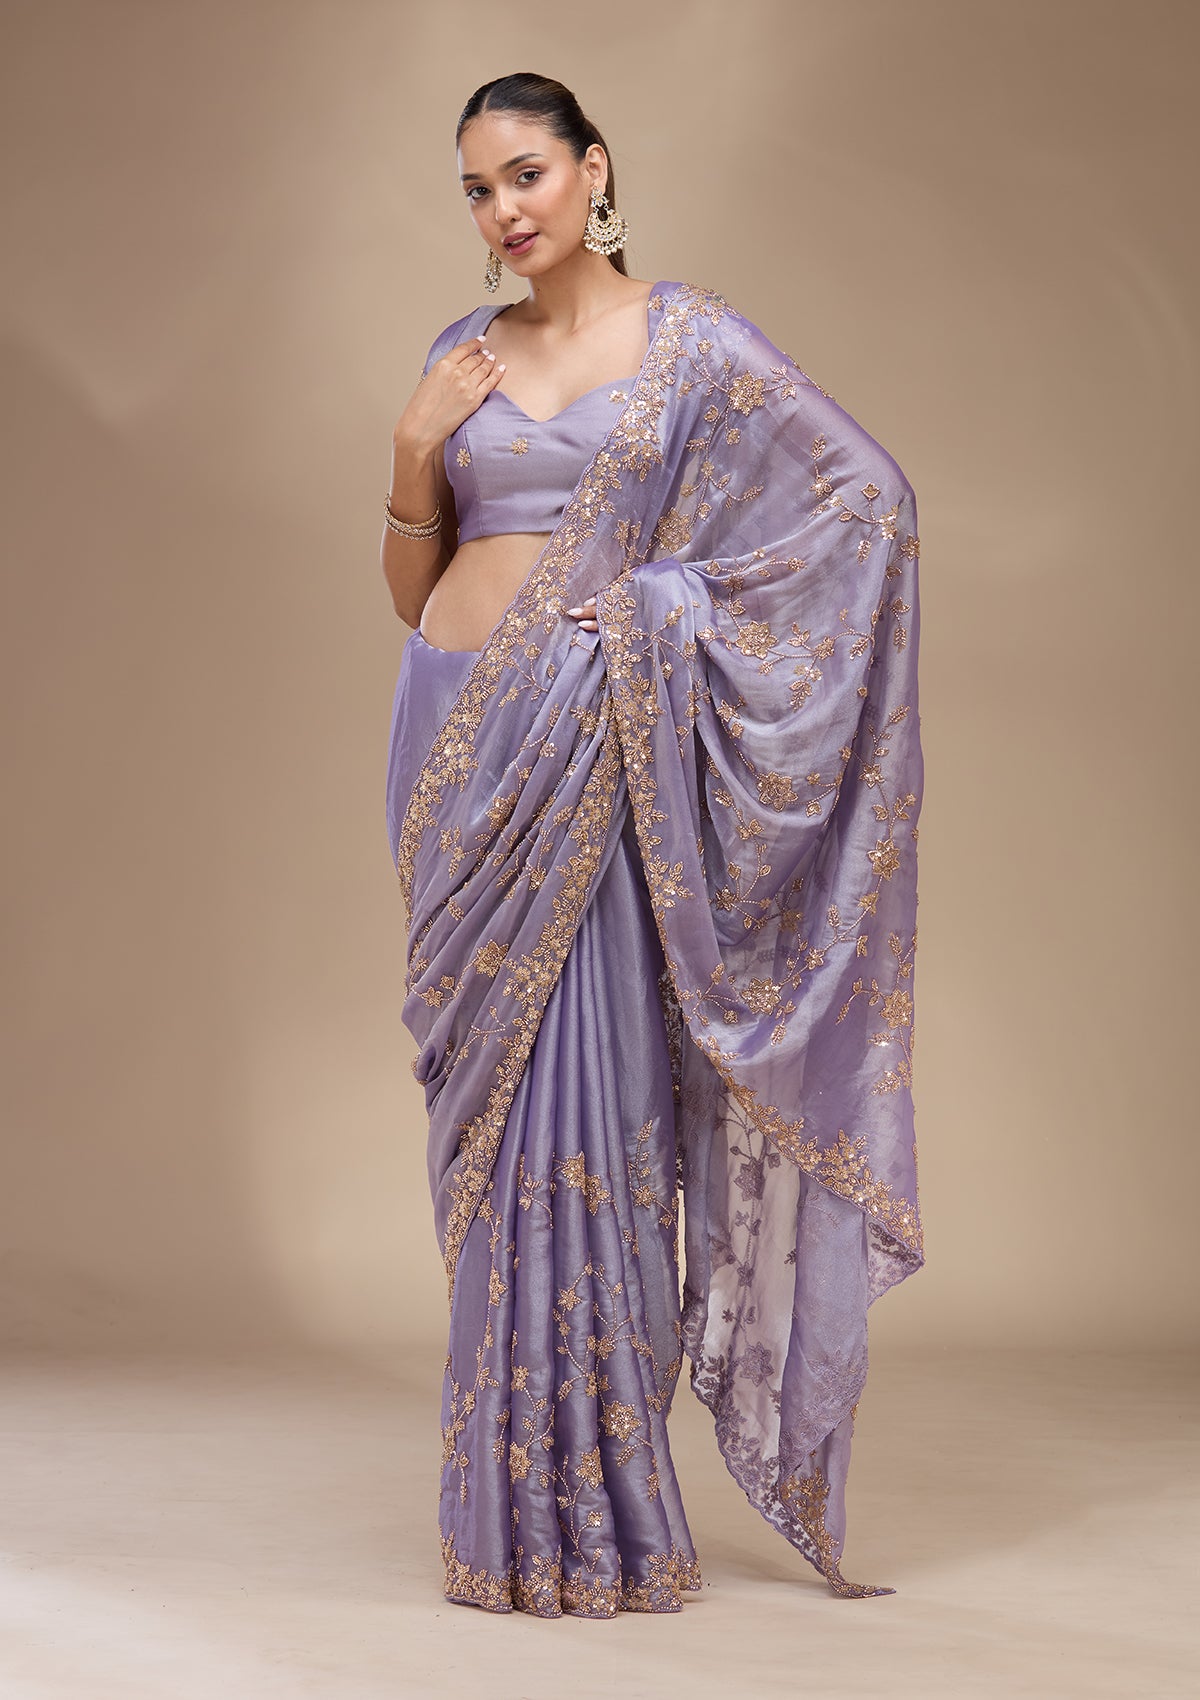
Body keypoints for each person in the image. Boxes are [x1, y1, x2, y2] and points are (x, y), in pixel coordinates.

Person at [381, 72, 925, 1618]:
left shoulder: (693, 343)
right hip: (457, 760)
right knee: (492, 1131)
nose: (504, 210)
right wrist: (412, 448)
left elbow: (867, 502)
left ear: (594, 169)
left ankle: (599, 1519)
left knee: (593, 1100)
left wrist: (651, 619)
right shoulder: (457, 355)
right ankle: (502, 1516)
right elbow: (413, 591)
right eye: (478, 189)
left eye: (527, 173)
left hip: (594, 755)